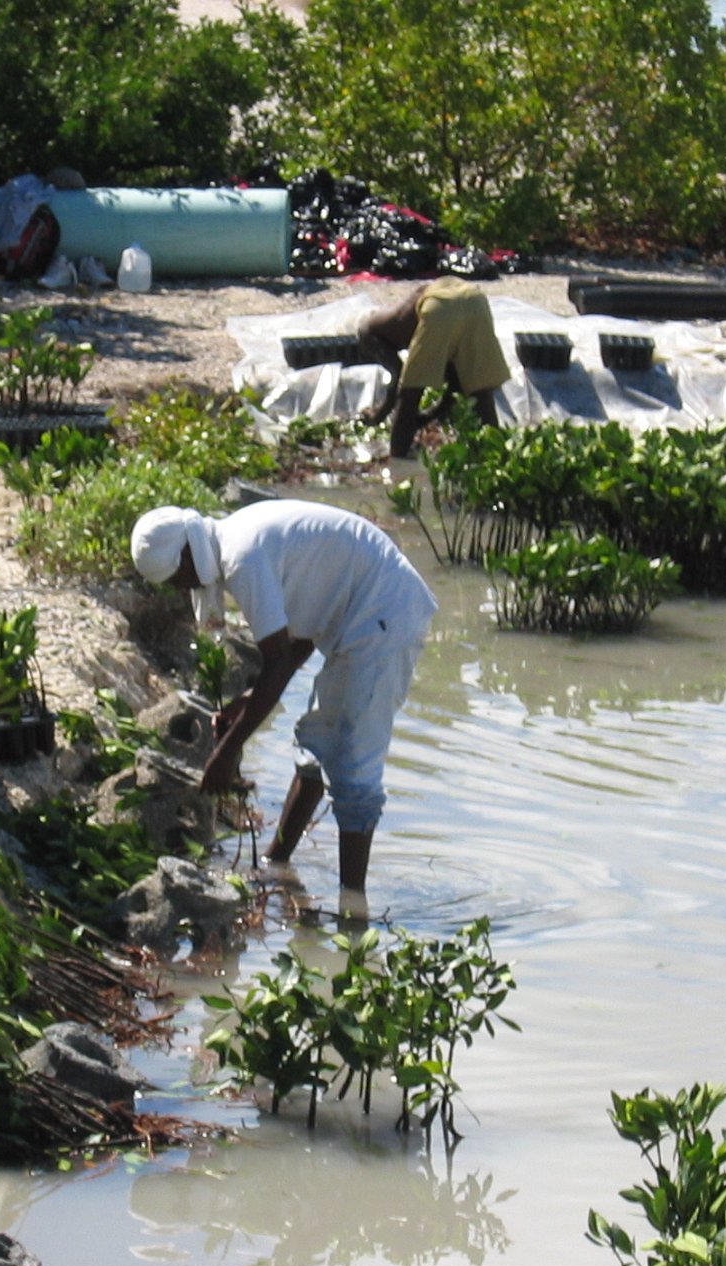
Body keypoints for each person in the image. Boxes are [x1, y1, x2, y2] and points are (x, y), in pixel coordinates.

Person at [130, 500, 437, 897]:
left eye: (176, 577)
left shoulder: (242, 557)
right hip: (363, 612)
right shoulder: (236, 539)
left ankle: (352, 908)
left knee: (353, 765)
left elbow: (277, 663)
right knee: (314, 746)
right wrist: (248, 698)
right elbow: (303, 631)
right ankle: (277, 864)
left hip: (383, 614)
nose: (180, 588)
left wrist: (226, 752)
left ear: (188, 553)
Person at [356, 276, 511, 459]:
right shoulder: (420, 311)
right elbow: (456, 387)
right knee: (481, 395)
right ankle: (498, 460)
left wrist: (384, 411)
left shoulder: (379, 328)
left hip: (439, 309)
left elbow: (397, 377)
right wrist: (426, 417)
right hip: (476, 302)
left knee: (410, 397)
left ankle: (397, 467)